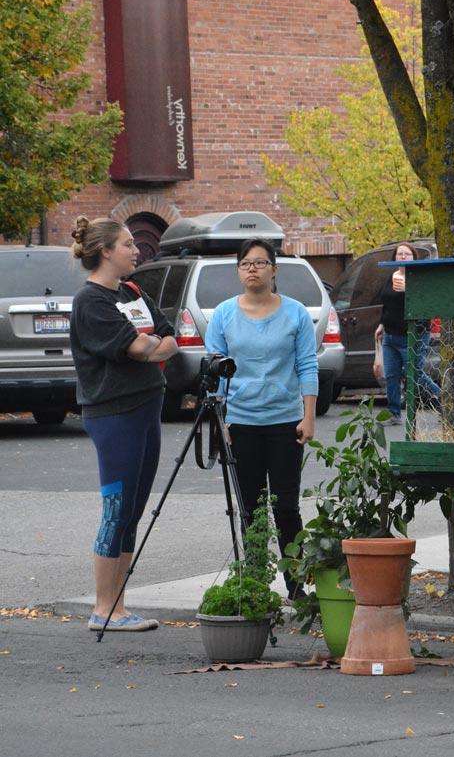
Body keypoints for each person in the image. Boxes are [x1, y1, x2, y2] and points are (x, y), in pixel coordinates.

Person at [70, 216, 179, 632]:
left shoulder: (132, 291)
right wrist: (150, 347)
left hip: (149, 404)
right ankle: (103, 609)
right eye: (129, 244)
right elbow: (138, 348)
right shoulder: (91, 302)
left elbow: (166, 337)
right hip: (114, 413)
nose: (137, 250)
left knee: (133, 509)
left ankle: (120, 605)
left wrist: (152, 346)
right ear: (106, 252)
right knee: (116, 507)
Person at [203, 238, 318, 601]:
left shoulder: (296, 313)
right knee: (250, 507)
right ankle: (253, 584)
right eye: (245, 264)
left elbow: (307, 365)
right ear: (238, 271)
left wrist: (309, 415)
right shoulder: (223, 314)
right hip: (240, 424)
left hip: (285, 422)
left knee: (286, 506)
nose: (252, 269)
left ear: (274, 269)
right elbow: (214, 374)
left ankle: (296, 586)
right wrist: (221, 424)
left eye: (260, 262)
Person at [373, 242, 440, 423]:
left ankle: (445, 401)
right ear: (395, 257)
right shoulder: (391, 277)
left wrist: (408, 290)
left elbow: (426, 305)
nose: (403, 257)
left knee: (415, 374)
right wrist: (381, 324)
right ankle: (394, 413)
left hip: (413, 335)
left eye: (407, 254)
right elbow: (387, 304)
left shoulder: (418, 278)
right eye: (399, 254)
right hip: (390, 336)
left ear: (414, 257)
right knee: (391, 375)